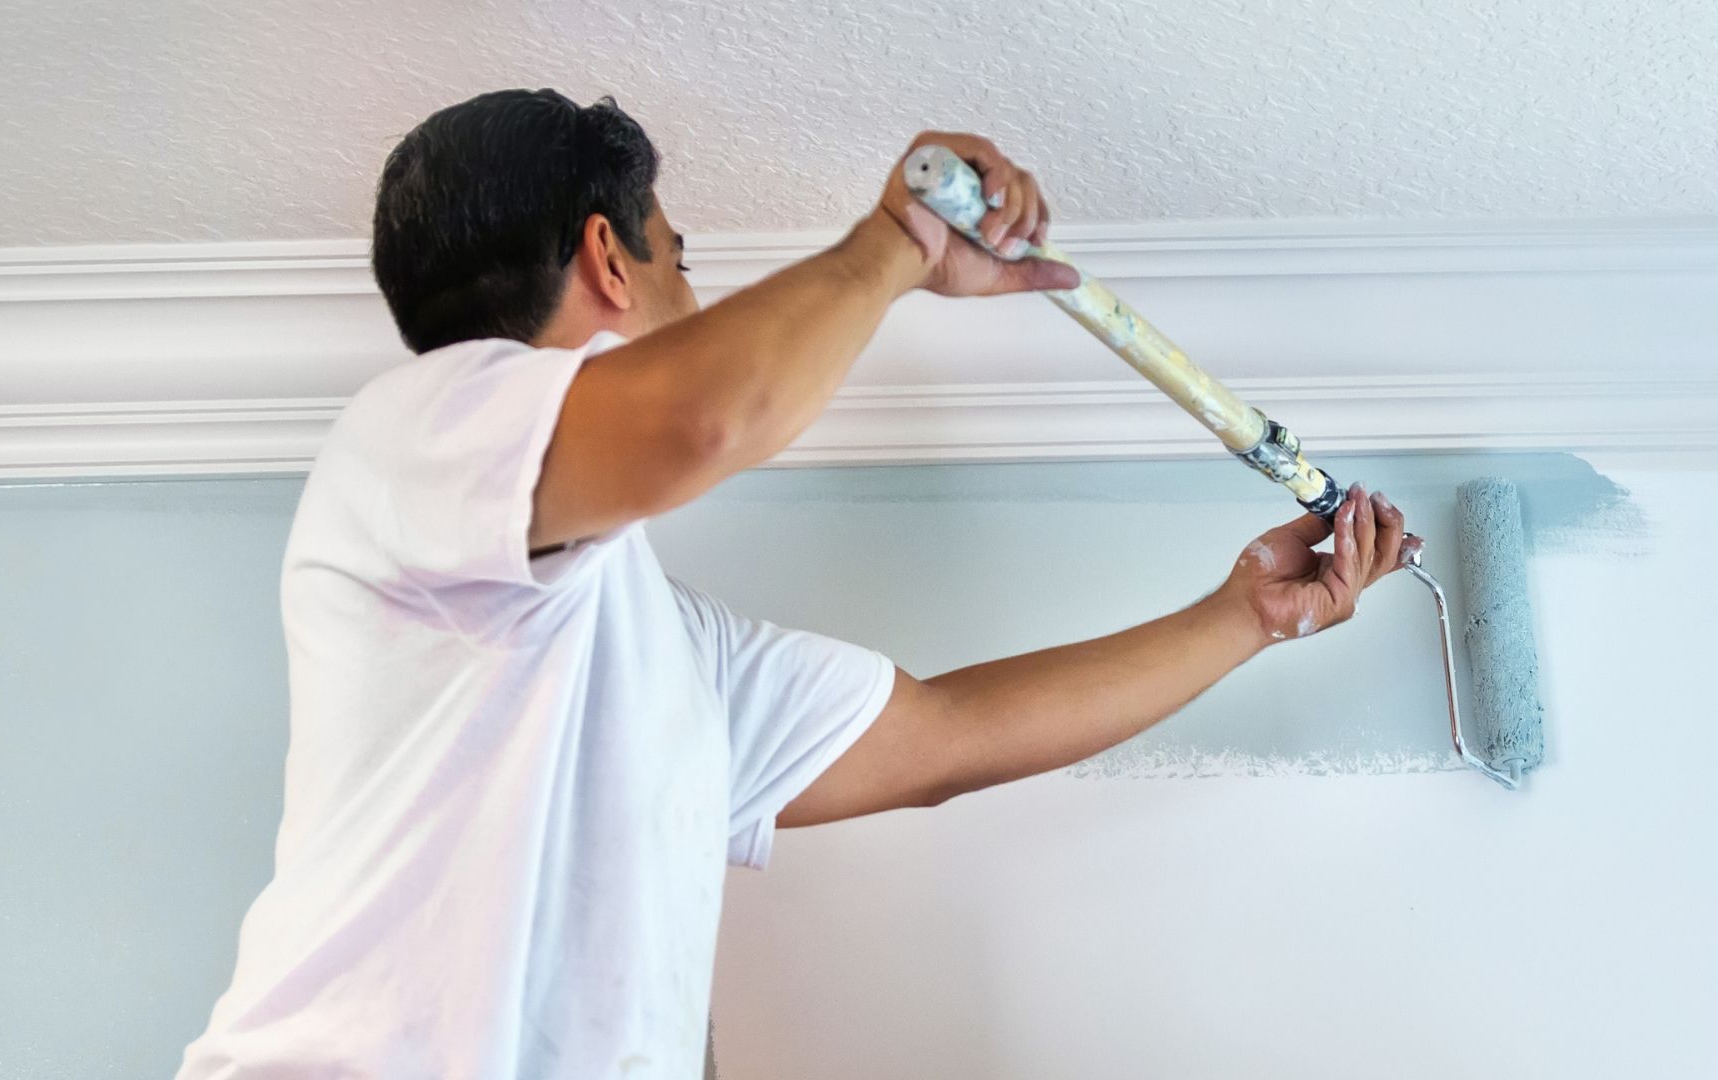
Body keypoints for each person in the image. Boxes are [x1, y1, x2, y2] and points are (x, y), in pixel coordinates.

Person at [176, 88, 1417, 1080]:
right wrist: (898, 244)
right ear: (610, 259)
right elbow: (708, 416)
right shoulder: (412, 433)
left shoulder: (658, 653)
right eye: (681, 261)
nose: (696, 295)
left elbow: (945, 736)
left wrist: (1250, 616)